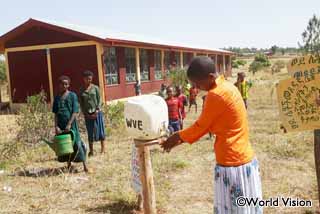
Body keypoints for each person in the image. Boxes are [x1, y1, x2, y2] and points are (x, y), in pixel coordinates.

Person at [160, 56, 262, 213]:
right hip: (245, 159)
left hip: (232, 164)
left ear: (210, 77)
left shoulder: (216, 94)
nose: (197, 87)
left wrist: (175, 138)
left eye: (198, 83)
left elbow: (200, 127)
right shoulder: (228, 86)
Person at [52, 75, 88, 172]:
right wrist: (56, 127)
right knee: (65, 145)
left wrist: (69, 124)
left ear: (68, 85)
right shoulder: (57, 98)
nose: (64, 86)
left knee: (77, 143)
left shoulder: (72, 96)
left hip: (71, 125)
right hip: (61, 125)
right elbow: (55, 114)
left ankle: (85, 166)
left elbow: (75, 111)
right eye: (62, 84)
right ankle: (68, 165)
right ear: (59, 85)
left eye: (66, 84)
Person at [79, 71, 106, 157]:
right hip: (88, 115)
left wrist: (97, 110)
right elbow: (81, 103)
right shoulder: (81, 90)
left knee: (101, 131)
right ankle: (91, 151)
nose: (89, 80)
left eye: (90, 79)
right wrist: (85, 113)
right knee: (90, 131)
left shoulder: (95, 88)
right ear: (84, 79)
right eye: (87, 79)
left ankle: (103, 149)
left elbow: (100, 100)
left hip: (97, 113)